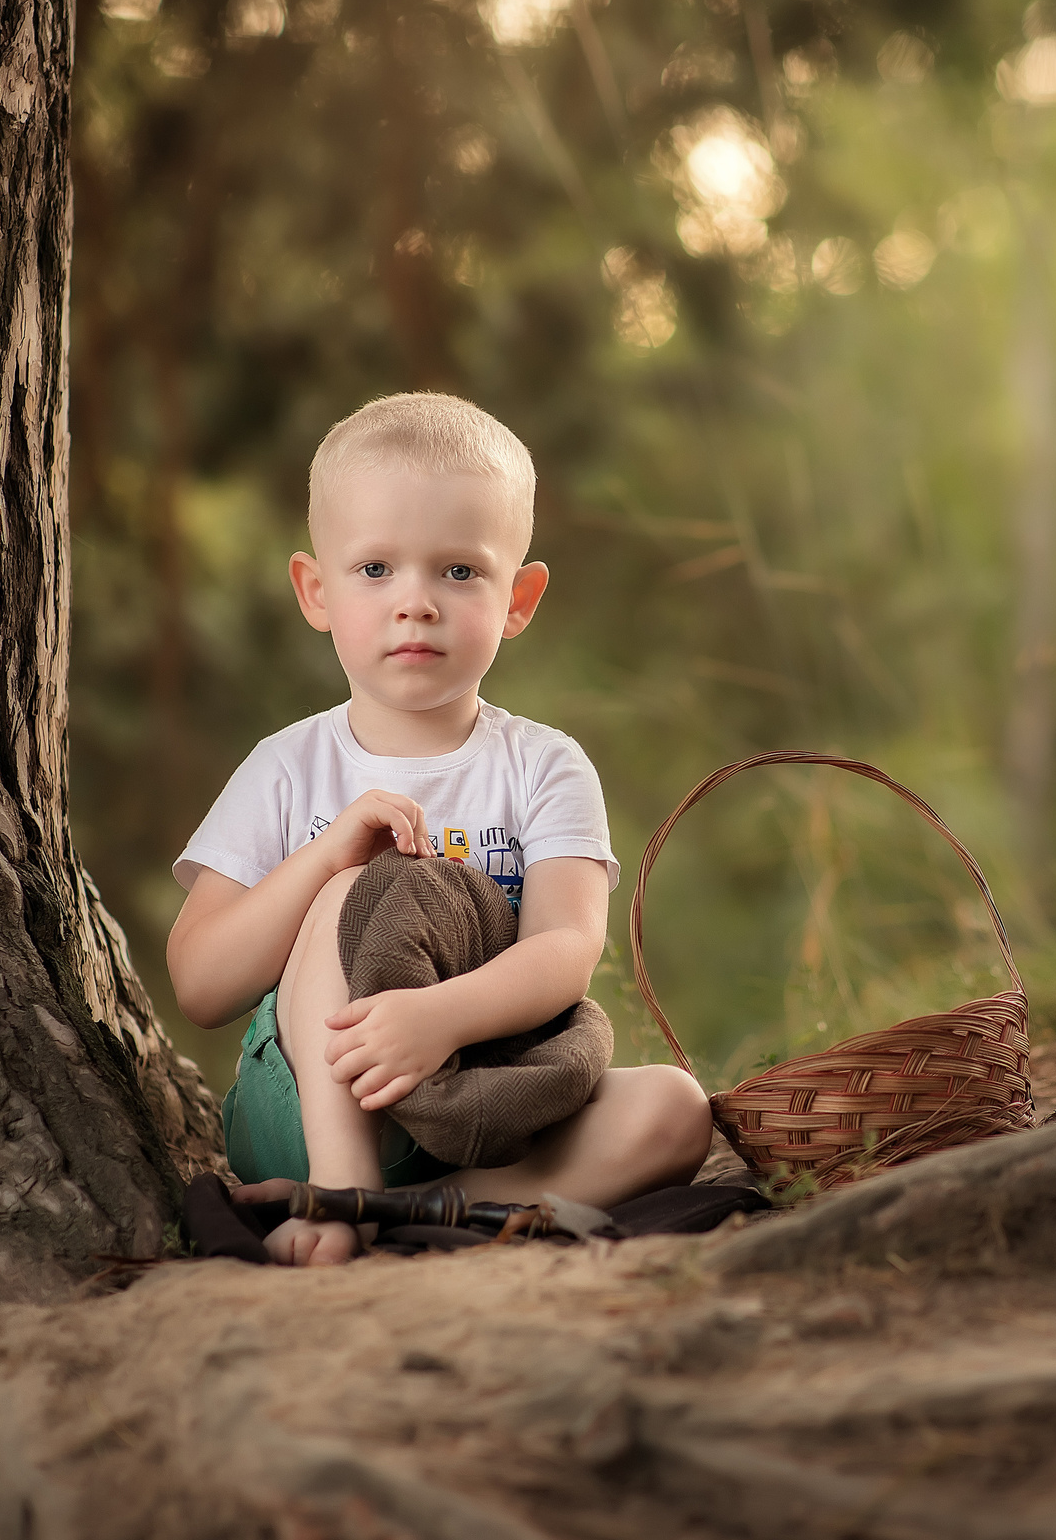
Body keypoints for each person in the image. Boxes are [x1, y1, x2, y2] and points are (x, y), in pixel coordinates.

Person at [165, 393, 712, 1265]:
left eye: (458, 572)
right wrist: (326, 859)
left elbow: (567, 946)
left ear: (518, 597)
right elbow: (198, 984)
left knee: (678, 1110)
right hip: (312, 1099)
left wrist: (440, 1019)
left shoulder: (546, 765)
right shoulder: (287, 765)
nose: (414, 603)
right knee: (356, 891)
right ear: (316, 590)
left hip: (481, 1093)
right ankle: (339, 1188)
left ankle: (408, 1210)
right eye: (375, 569)